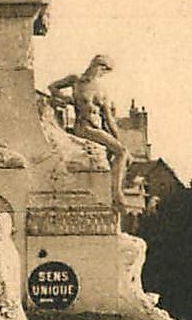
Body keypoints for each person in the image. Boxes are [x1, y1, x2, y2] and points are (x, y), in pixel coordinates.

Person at [47, 55, 131, 211]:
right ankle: (116, 193)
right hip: (84, 128)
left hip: (97, 128)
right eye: (103, 69)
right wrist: (66, 99)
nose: (101, 73)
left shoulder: (102, 91)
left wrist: (119, 140)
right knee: (121, 152)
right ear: (98, 66)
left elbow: (109, 120)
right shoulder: (76, 80)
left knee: (121, 151)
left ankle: (114, 191)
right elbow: (52, 87)